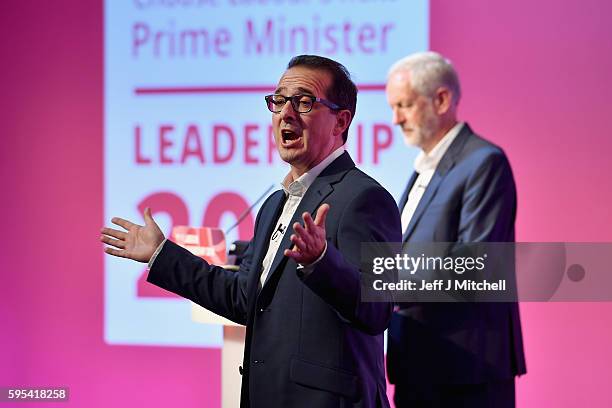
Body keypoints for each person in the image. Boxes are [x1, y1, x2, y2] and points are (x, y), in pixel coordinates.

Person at [101, 55, 401, 408]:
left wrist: (322, 261)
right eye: (278, 101)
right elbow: (245, 299)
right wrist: (161, 254)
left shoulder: (365, 198)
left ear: (341, 121)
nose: (286, 114)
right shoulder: (274, 204)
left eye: (304, 102)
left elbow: (378, 309)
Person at [384, 51, 527, 407]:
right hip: (418, 363)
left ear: (442, 99)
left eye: (404, 105)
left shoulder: (483, 162)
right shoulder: (425, 168)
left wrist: (385, 286)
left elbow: (474, 265)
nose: (396, 119)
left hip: (466, 370)